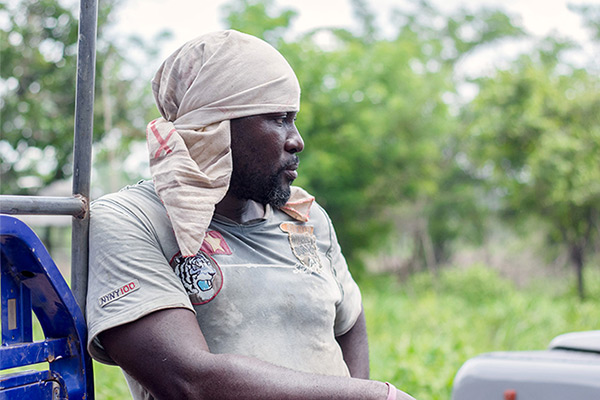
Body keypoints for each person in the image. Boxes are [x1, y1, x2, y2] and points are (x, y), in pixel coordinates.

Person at [86, 30, 416, 400]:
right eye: (278, 118)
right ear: (214, 127)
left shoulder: (306, 219)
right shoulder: (133, 221)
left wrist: (357, 392)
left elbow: (350, 324)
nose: (296, 140)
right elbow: (189, 381)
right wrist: (372, 397)